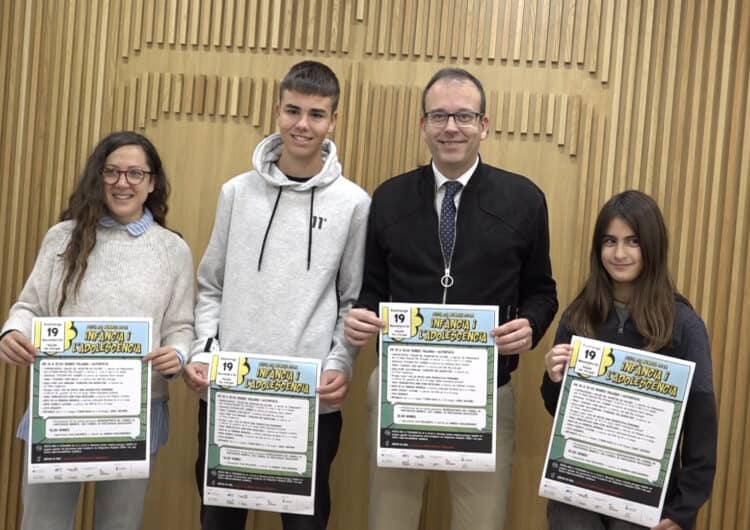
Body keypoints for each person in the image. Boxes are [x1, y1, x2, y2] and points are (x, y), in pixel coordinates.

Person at [344, 67, 558, 530]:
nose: (451, 127)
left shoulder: (524, 200)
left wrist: (532, 325)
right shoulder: (389, 198)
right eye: (439, 116)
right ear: (423, 126)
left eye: (464, 116)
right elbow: (372, 291)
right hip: (400, 392)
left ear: (484, 125)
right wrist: (360, 317)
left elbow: (542, 291)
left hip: (486, 394)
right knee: (389, 520)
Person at [183, 60, 370, 530]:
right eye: (292, 111)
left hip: (309, 400)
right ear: (277, 111)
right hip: (230, 394)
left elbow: (352, 301)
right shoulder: (235, 193)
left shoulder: (354, 204)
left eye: (316, 114)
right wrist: (205, 350)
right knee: (219, 521)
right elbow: (210, 285)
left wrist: (338, 363)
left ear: (333, 121)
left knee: (305, 525)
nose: (302, 124)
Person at [0, 131, 195, 530]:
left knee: (119, 525)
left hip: (135, 412)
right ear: (98, 176)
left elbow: (181, 328)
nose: (123, 183)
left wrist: (176, 355)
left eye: (135, 173)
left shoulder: (173, 250)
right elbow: (29, 307)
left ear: (152, 182)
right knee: (43, 522)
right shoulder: (62, 237)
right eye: (112, 172)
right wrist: (11, 334)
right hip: (62, 408)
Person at [540, 190, 717, 530]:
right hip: (577, 491)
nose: (619, 253)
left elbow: (702, 428)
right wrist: (553, 377)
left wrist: (683, 511)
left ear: (652, 246)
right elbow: (554, 407)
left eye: (633, 241)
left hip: (647, 499)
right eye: (610, 241)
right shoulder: (578, 315)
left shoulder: (683, 325)